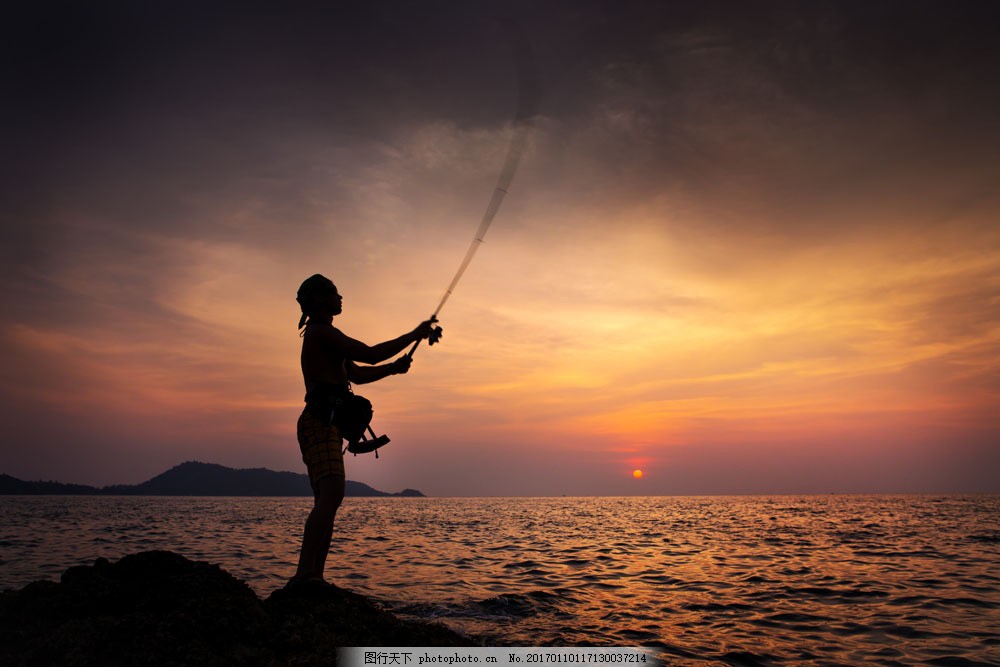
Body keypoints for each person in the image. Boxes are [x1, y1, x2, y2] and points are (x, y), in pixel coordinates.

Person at [291, 273, 439, 586]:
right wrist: (415, 333)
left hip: (325, 424)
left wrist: (394, 368)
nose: (340, 297)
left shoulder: (327, 336)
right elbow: (370, 353)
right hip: (318, 422)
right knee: (331, 496)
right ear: (319, 300)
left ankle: (314, 576)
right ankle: (305, 575)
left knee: (328, 500)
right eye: (334, 292)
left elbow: (357, 375)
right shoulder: (320, 333)